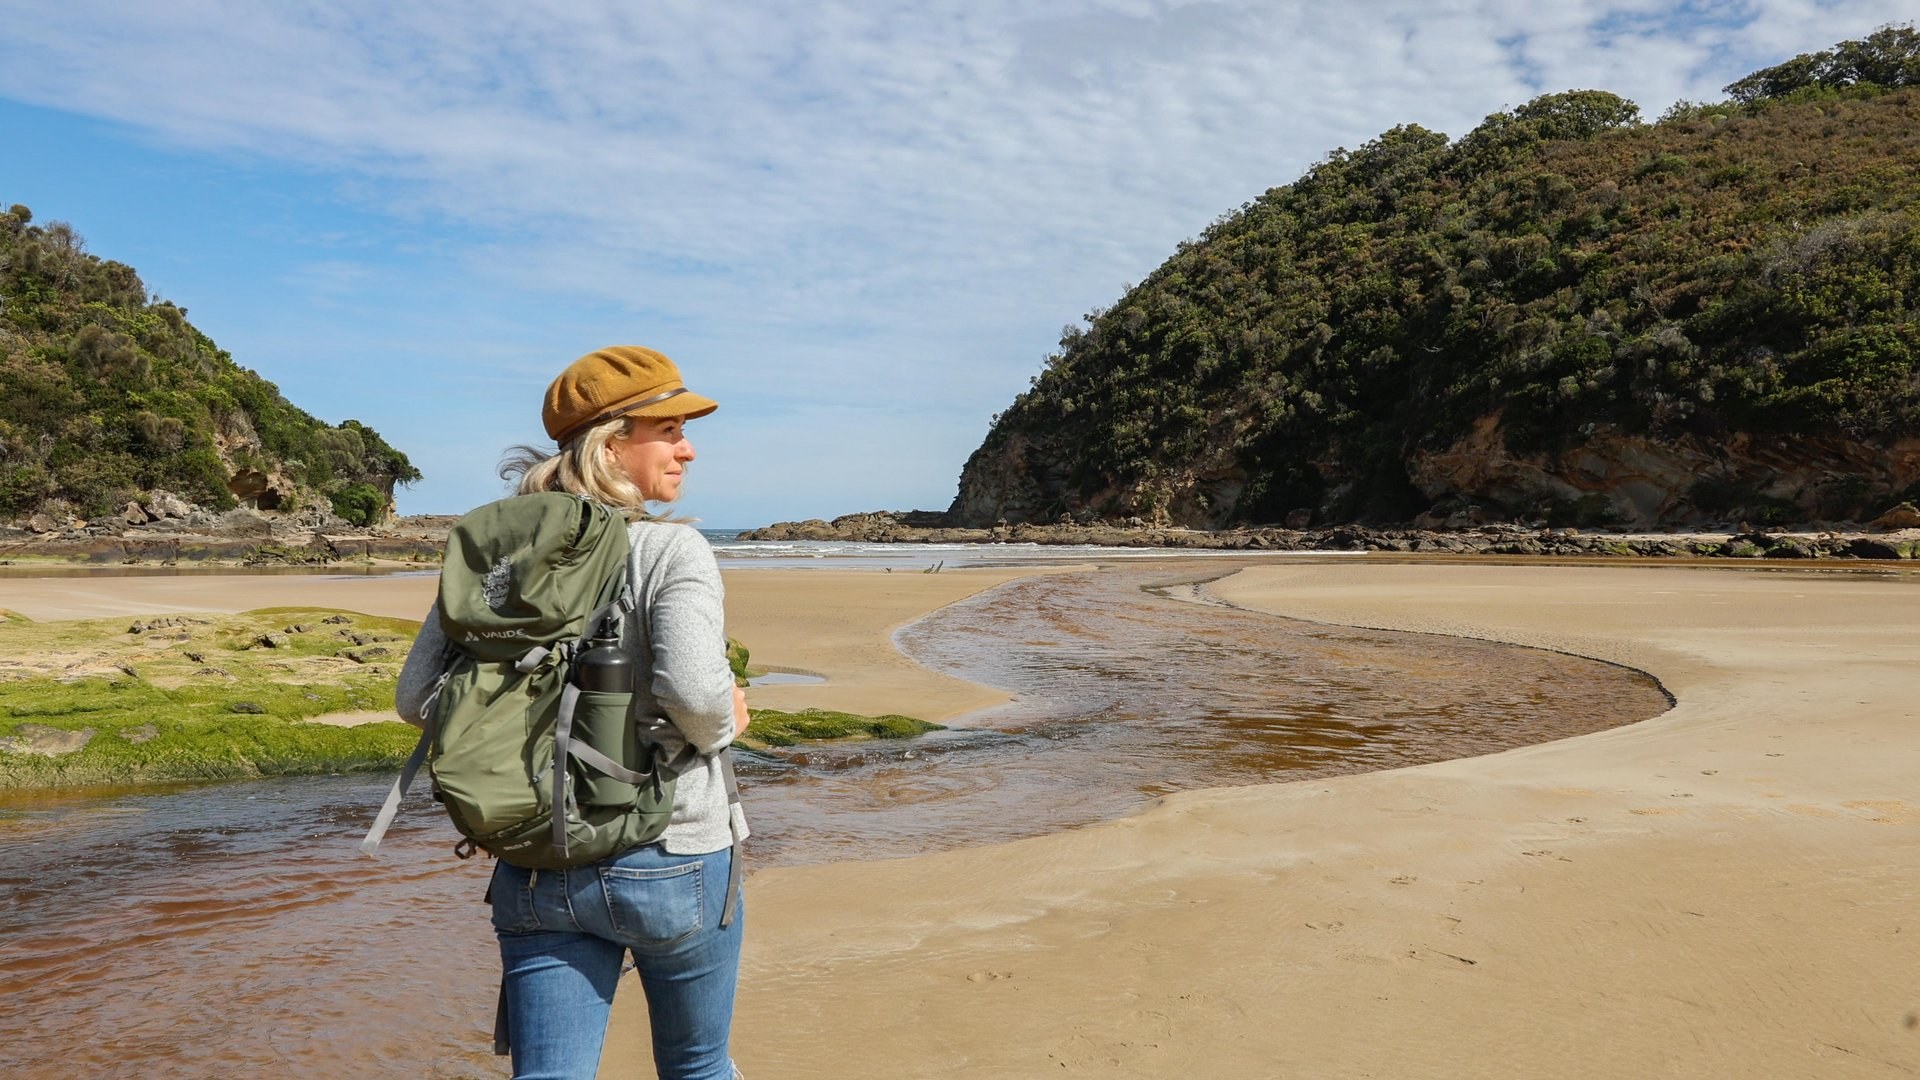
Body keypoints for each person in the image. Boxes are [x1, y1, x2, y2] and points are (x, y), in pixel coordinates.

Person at [395, 345, 750, 1080]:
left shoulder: (498, 553)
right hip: (671, 849)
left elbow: (415, 698)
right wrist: (728, 723)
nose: (689, 447)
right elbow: (694, 694)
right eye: (669, 429)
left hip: (533, 858)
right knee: (697, 1067)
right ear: (612, 442)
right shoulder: (672, 551)